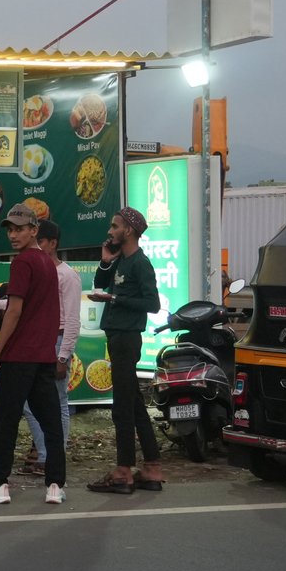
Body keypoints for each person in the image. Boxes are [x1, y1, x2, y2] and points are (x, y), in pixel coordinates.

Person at [0, 205, 67, 505]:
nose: (13, 235)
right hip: (44, 355)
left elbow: (14, 310)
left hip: (19, 356)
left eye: (19, 229)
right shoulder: (48, 264)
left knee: (8, 421)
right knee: (51, 422)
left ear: (34, 231)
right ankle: (55, 485)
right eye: (10, 230)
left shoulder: (22, 262)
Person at [88, 206, 164, 494]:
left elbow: (153, 304)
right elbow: (99, 284)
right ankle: (152, 467)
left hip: (127, 337)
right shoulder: (120, 260)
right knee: (133, 403)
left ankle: (123, 471)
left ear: (128, 230)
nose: (110, 231)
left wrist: (114, 299)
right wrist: (105, 262)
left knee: (122, 406)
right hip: (117, 335)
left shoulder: (141, 263)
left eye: (114, 226)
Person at [19, 220, 82, 477]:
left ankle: (53, 458)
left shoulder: (67, 275)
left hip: (57, 341)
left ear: (52, 243)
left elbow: (72, 320)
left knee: (58, 402)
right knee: (31, 403)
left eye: (40, 242)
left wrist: (63, 355)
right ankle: (48, 456)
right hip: (40, 342)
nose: (36, 247)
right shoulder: (39, 271)